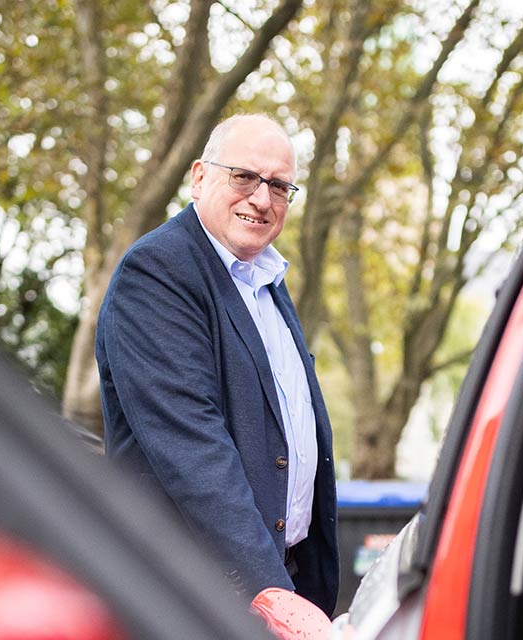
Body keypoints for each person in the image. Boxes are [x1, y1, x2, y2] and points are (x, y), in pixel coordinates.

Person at [95, 113, 339, 616]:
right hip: (193, 596)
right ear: (200, 176)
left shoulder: (264, 278)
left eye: (278, 185)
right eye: (244, 177)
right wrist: (271, 594)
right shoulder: (159, 272)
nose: (262, 198)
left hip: (277, 583)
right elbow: (194, 452)